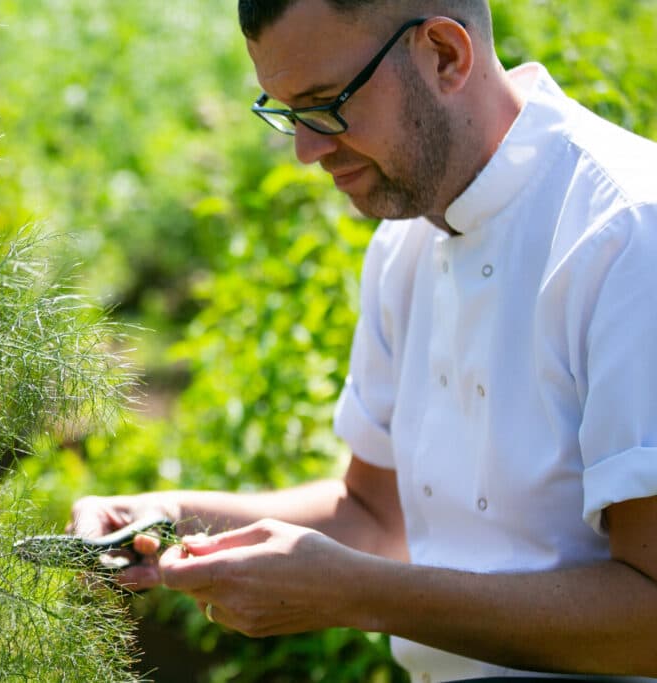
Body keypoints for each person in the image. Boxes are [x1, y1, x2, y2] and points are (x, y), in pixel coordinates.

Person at [68, 0, 657, 680]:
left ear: (444, 54)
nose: (306, 150)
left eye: (326, 103)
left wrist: (353, 593)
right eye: (287, 111)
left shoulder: (626, 236)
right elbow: (375, 511)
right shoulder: (404, 242)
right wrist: (171, 515)